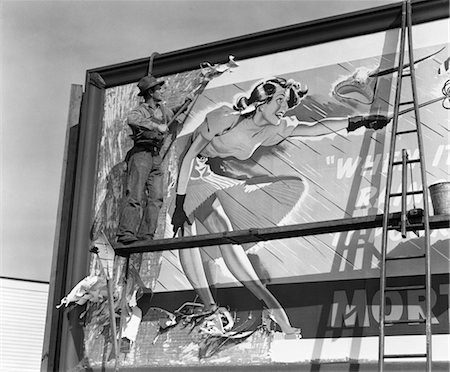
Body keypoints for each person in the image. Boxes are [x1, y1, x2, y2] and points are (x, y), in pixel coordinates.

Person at [170, 77, 390, 336]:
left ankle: (273, 313)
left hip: (199, 168)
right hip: (176, 164)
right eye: (279, 100)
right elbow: (187, 154)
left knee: (225, 232)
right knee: (187, 228)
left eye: (287, 102)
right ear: (261, 101)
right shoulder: (225, 117)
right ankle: (210, 308)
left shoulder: (272, 130)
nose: (284, 106)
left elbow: (315, 128)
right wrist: (180, 202)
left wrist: (358, 121)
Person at [117, 74, 189, 244]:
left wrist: (186, 103)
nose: (162, 91)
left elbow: (175, 112)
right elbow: (132, 119)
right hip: (141, 154)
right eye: (159, 89)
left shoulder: (163, 111)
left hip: (155, 156)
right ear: (151, 92)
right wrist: (156, 125)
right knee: (135, 193)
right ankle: (126, 232)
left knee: (156, 197)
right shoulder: (141, 110)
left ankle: (146, 234)